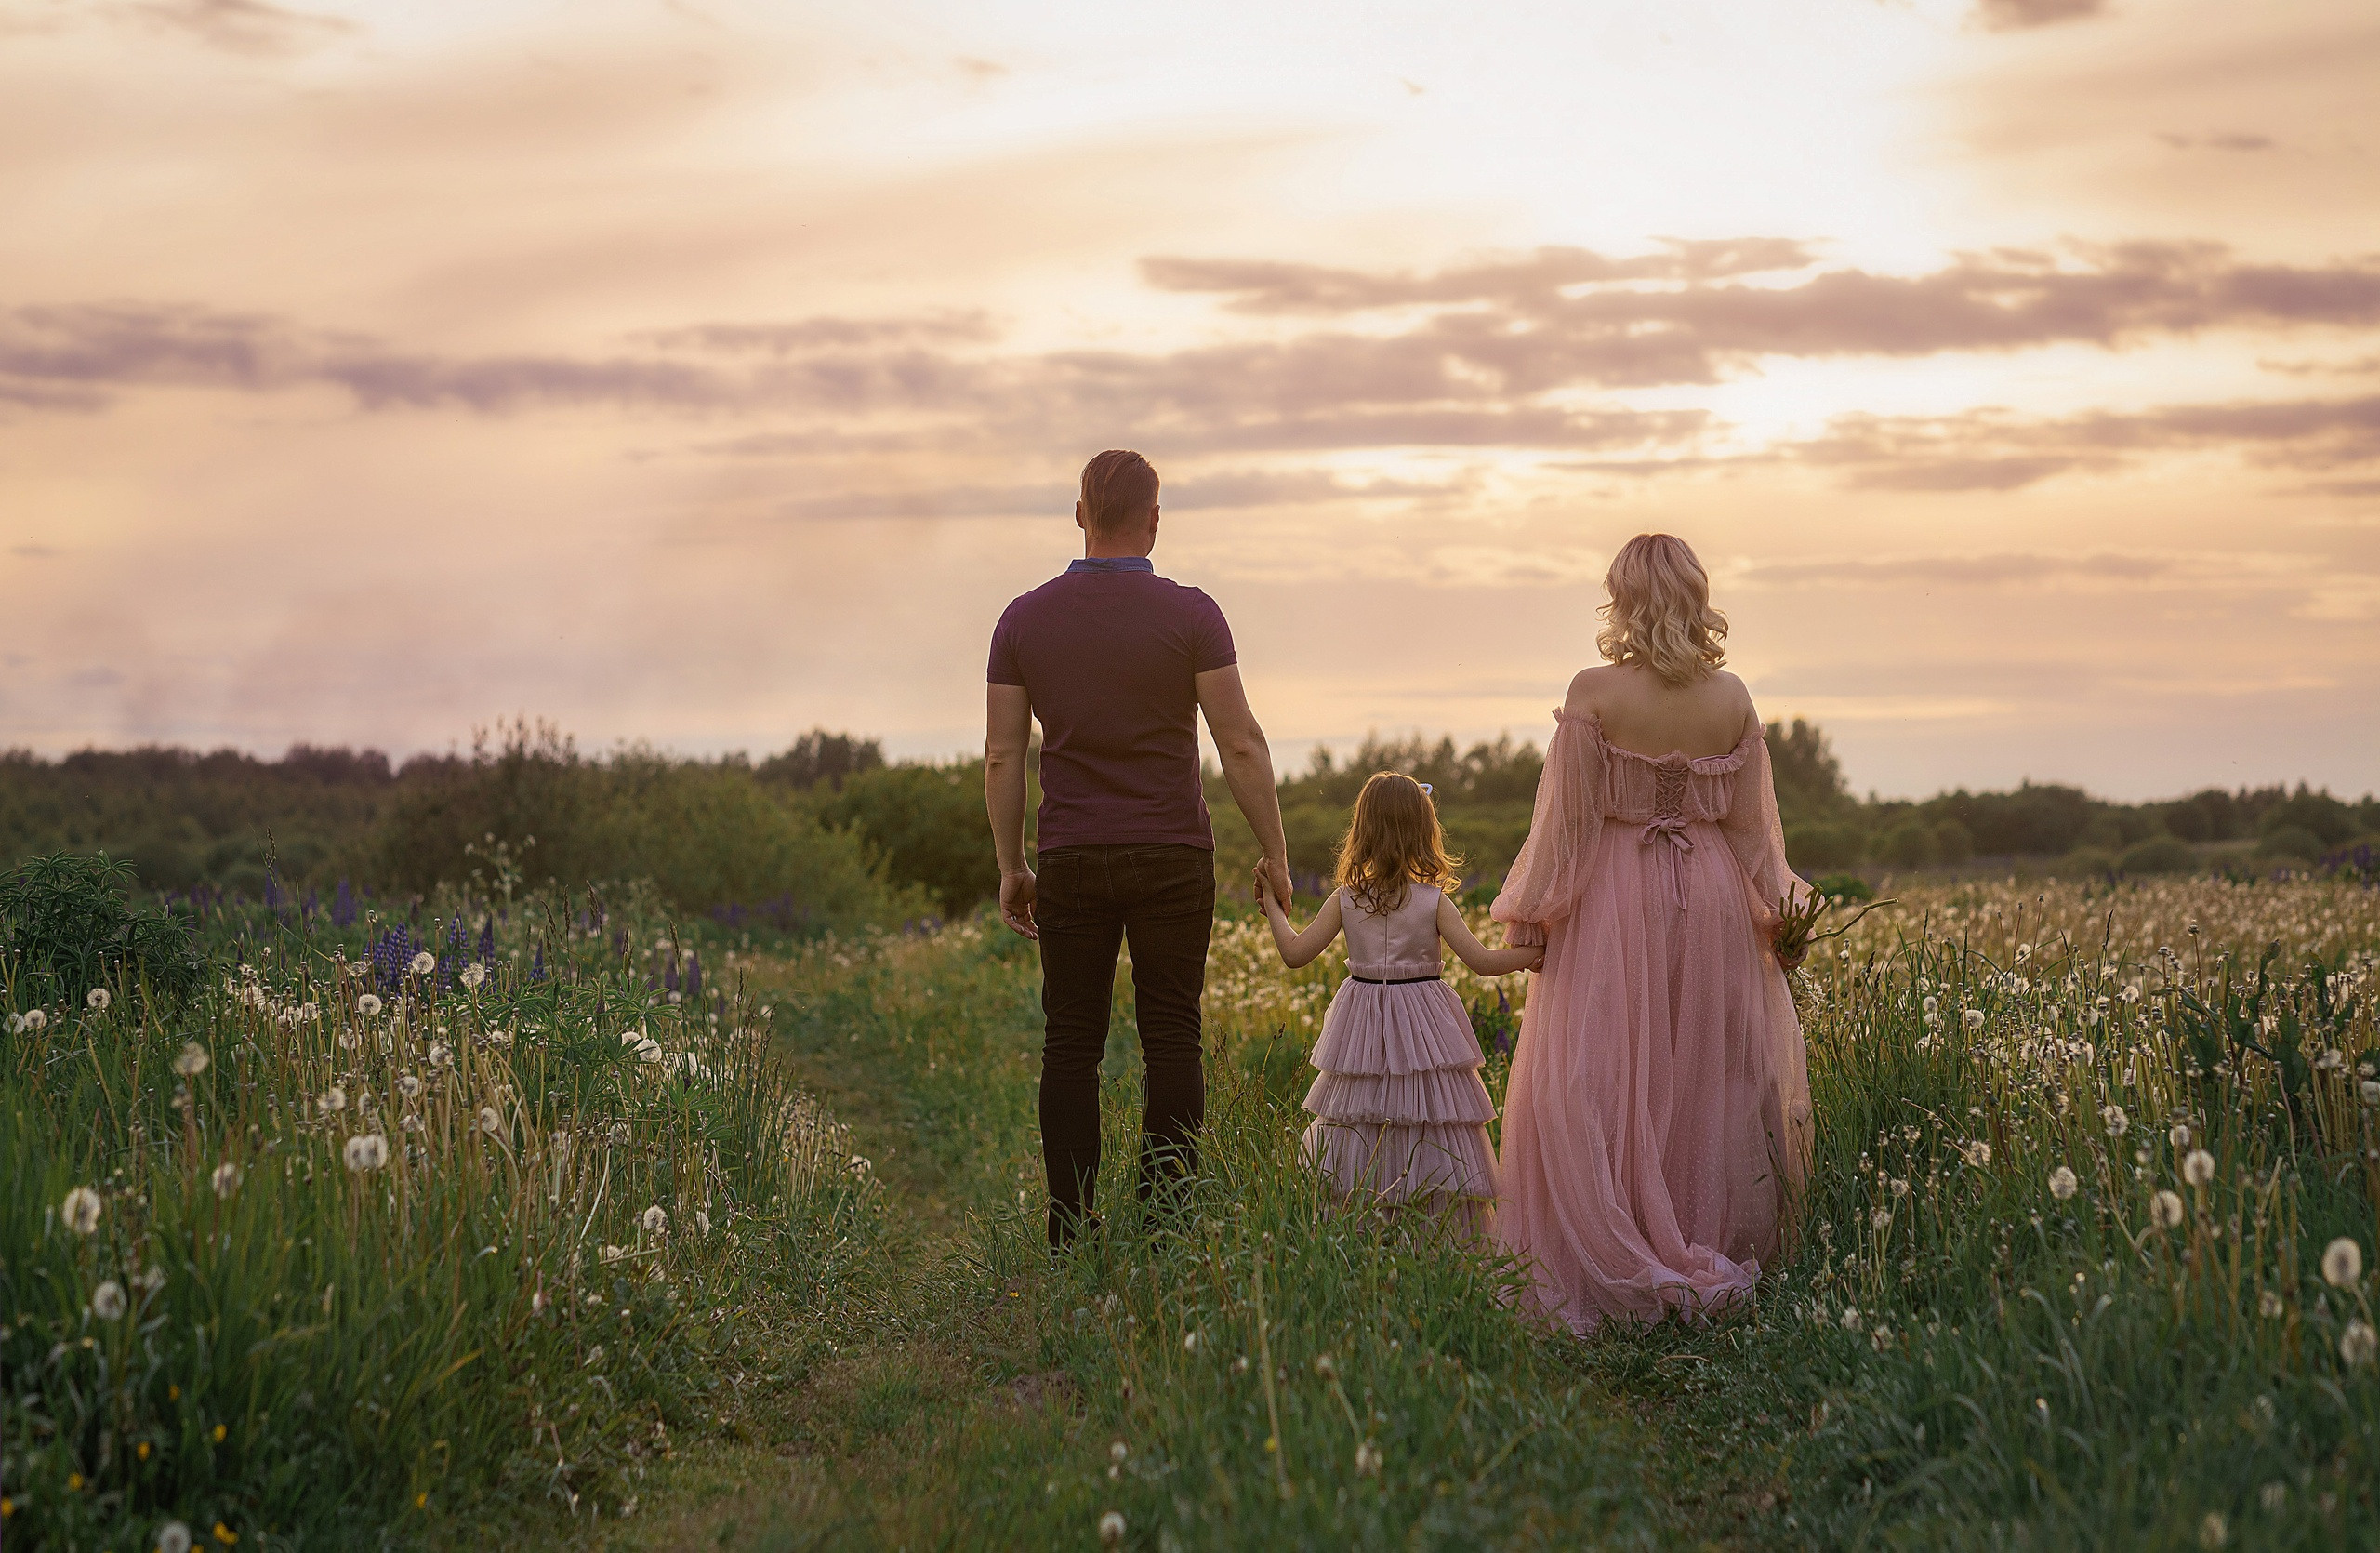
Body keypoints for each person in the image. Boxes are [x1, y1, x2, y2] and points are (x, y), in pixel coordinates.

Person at [1489, 533, 1813, 1333]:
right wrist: (1783, 914)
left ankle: (1619, 1246)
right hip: (1710, 897)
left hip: (1612, 896)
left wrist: (1533, 913)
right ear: (1696, 598)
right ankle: (1707, 1237)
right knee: (1711, 1073)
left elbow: (1565, 828)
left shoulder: (1594, 692)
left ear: (1625, 599)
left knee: (1595, 1075)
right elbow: (1753, 837)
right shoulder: (1731, 698)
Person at [985, 450, 1293, 1251]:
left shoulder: (1022, 619)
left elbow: (1002, 756)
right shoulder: (1193, 615)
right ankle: (1165, 1227)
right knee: (1172, 1038)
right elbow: (1242, 745)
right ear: (1154, 519)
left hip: (1074, 857)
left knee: (1071, 1045)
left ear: (1078, 512)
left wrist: (1013, 865)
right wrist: (1277, 854)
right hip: (1170, 854)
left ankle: (1070, 1231)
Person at [1254, 773, 1540, 1232]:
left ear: (1362, 830)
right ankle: (1433, 1239)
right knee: (1428, 1118)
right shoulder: (1432, 901)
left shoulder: (1346, 900)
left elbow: (1294, 954)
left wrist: (1271, 900)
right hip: (1425, 1024)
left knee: (1361, 1120)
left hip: (1361, 1022)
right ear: (1422, 831)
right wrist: (1539, 954)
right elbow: (1483, 962)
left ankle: (1362, 1239)